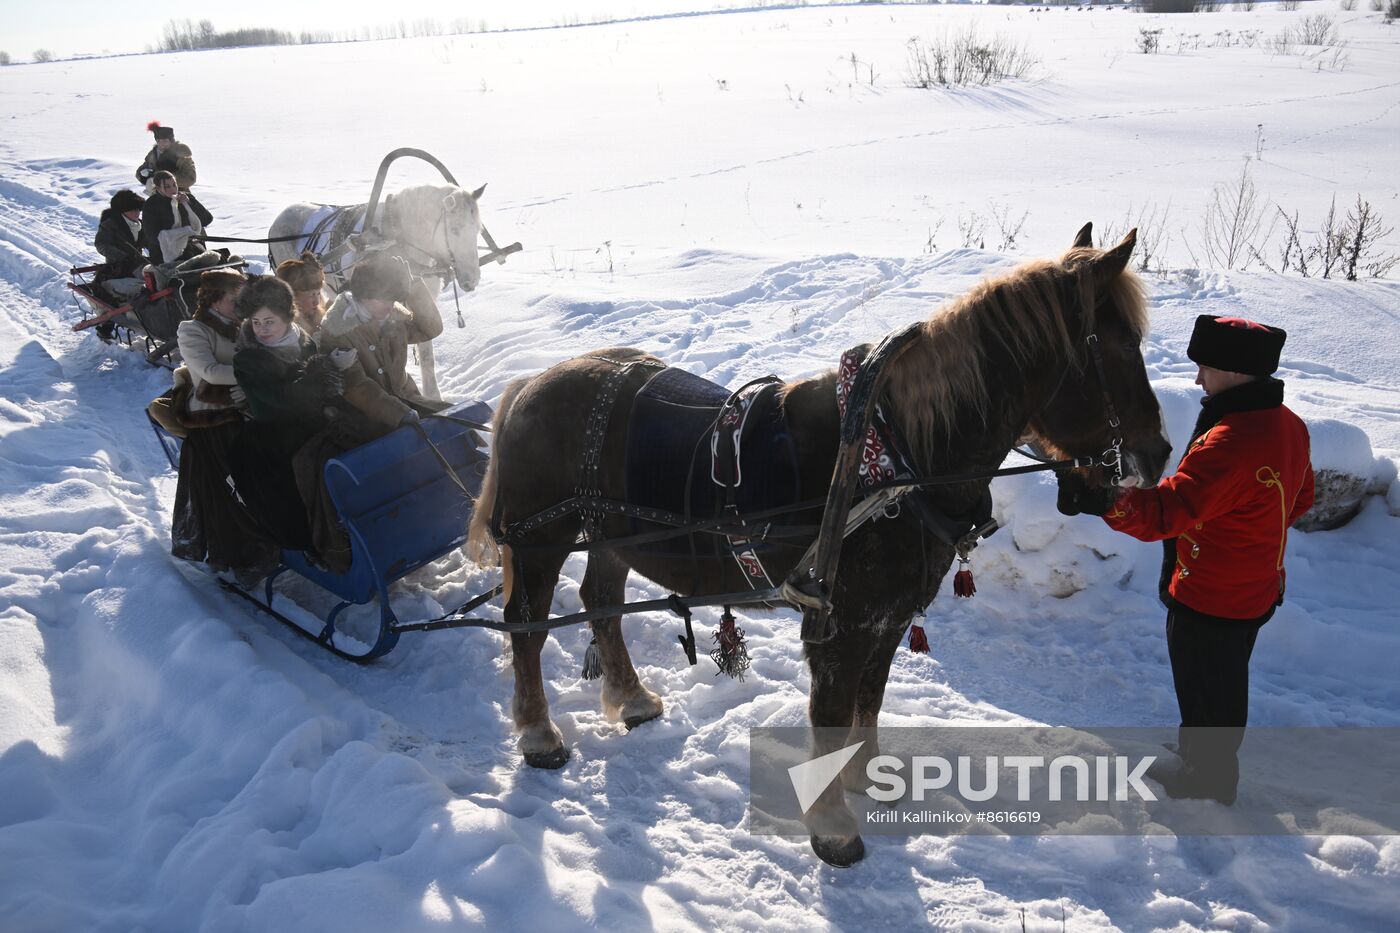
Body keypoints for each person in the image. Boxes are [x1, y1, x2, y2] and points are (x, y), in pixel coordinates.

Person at [1058, 314, 1314, 804]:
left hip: (1212, 595)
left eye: (1206, 368)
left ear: (1237, 373)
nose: (1197, 379)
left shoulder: (1232, 441)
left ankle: (1208, 783)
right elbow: (1300, 499)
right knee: (1221, 685)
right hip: (1254, 586)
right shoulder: (1287, 425)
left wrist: (1104, 497)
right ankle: (1201, 754)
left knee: (1208, 690)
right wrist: (1245, 529)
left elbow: (1163, 515)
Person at [169, 269, 276, 575]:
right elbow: (210, 372)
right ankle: (242, 549)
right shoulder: (192, 329)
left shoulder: (245, 325)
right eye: (235, 299)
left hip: (248, 401)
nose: (242, 304)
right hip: (212, 411)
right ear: (215, 300)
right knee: (239, 469)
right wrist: (257, 373)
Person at [317, 253, 449, 432]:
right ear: (363, 295)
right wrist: (398, 413)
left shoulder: (393, 315)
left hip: (409, 400)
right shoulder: (338, 328)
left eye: (393, 298)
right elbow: (355, 385)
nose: (390, 304)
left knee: (455, 422)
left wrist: (415, 285)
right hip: (366, 417)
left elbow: (430, 329)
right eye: (383, 299)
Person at [141, 170, 213, 266]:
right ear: (158, 189)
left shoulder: (185, 198)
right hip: (165, 253)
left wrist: (189, 203)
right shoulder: (152, 204)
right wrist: (177, 238)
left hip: (192, 246)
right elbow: (152, 235)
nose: (173, 189)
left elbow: (207, 219)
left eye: (174, 185)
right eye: (167, 186)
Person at [93, 189, 147, 300]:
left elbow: (149, 242)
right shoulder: (110, 225)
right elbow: (101, 244)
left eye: (138, 209)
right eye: (132, 210)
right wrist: (122, 256)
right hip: (118, 267)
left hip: (137, 263)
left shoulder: (140, 225)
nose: (137, 213)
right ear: (123, 211)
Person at [274, 250, 328, 334]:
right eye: (311, 295)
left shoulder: (325, 319)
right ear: (293, 297)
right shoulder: (282, 332)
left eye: (318, 293)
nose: (317, 302)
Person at [136, 121, 197, 192]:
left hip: (179, 194)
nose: (161, 144)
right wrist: (143, 175)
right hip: (156, 194)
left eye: (165, 141)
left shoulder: (182, 156)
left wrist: (163, 179)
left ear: (171, 141)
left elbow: (190, 179)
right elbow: (140, 172)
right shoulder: (152, 155)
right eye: (158, 141)